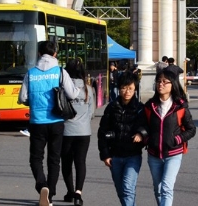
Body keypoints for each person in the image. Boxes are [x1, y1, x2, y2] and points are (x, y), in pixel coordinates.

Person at [17, 40, 80, 206]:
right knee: (54, 159)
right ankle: (50, 195)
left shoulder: (30, 74)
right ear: (55, 54)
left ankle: (41, 184)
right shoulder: (60, 72)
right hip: (56, 121)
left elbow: (22, 98)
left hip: (37, 122)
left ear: (39, 54)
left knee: (36, 158)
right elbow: (72, 94)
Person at [136, 68, 196, 206]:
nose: (160, 84)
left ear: (172, 84)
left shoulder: (180, 106)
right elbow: (143, 126)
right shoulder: (150, 106)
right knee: (158, 189)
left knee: (166, 188)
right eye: (158, 81)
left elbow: (191, 129)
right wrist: (146, 139)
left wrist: (177, 139)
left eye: (164, 82)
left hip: (173, 154)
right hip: (154, 155)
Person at [98, 70, 146, 206]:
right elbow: (102, 132)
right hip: (115, 156)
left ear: (135, 89)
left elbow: (148, 127)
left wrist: (141, 133)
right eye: (124, 88)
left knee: (128, 189)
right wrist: (105, 155)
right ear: (119, 89)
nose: (127, 92)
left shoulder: (140, 108)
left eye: (130, 88)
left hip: (133, 155)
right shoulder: (111, 108)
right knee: (121, 191)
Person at [61, 58, 95, 206]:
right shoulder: (88, 89)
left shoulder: (62, 89)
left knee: (67, 162)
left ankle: (69, 191)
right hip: (84, 131)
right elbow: (91, 113)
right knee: (80, 161)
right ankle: (78, 193)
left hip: (66, 131)